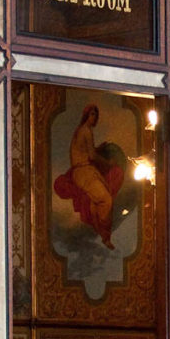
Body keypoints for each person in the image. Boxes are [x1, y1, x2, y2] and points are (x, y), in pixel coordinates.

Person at [53, 104, 123, 250]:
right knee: (106, 199)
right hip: (83, 172)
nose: (94, 117)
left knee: (100, 198)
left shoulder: (83, 131)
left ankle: (104, 235)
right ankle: (104, 234)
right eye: (92, 114)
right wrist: (108, 163)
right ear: (86, 115)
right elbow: (91, 156)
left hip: (86, 171)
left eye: (95, 115)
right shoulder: (85, 130)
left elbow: (86, 151)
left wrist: (98, 149)